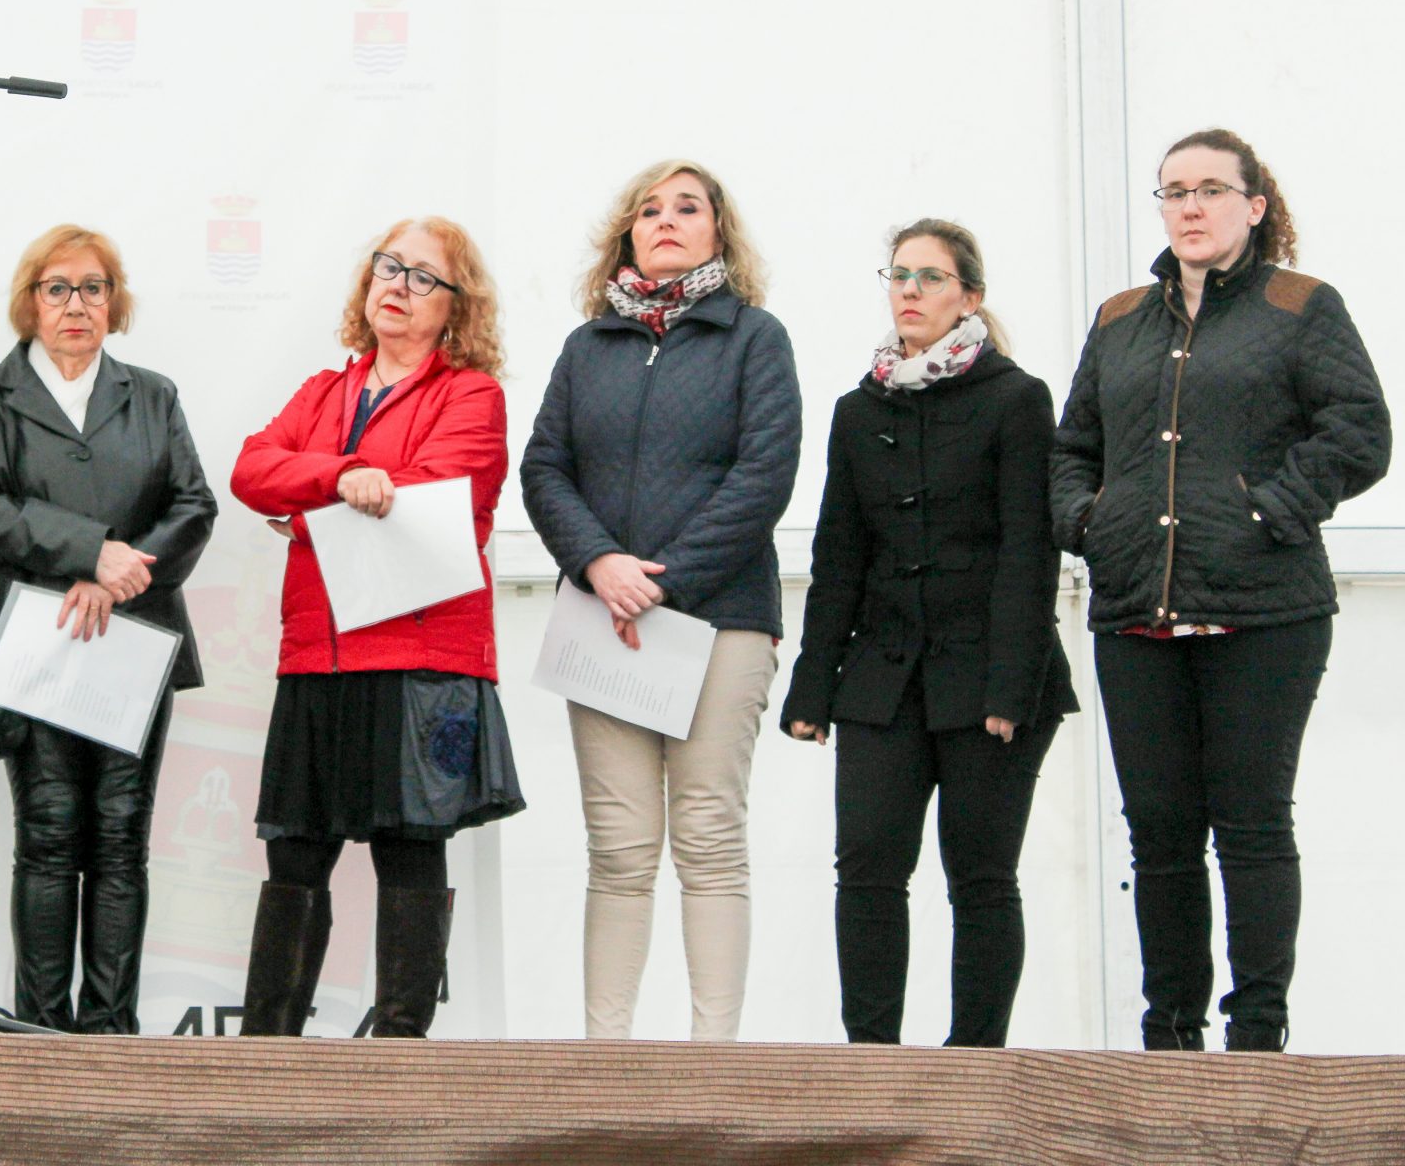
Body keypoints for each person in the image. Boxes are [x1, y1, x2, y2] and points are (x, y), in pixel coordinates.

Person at [1052, 129, 1389, 1052]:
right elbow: (1071, 447)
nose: (1189, 207)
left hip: (1265, 611)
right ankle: (1170, 1033)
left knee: (1248, 822)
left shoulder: (1301, 306)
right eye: (1172, 192)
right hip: (1134, 610)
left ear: (1254, 205)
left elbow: (1360, 430)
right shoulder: (1123, 317)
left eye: (1209, 189)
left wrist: (1270, 509)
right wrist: (1088, 522)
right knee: (1158, 830)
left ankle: (1258, 1033)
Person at [778, 219, 1077, 1047]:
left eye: (930, 277)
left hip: (989, 677)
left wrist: (1011, 687)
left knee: (980, 875)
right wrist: (812, 688)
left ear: (969, 297)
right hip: (881, 675)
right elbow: (837, 557)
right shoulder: (856, 408)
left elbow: (1030, 550)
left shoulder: (1018, 399)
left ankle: (974, 1063)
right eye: (898, 274)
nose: (908, 291)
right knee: (867, 869)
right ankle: (873, 1059)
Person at [520, 159, 800, 1041]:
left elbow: (766, 475)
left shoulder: (756, 338)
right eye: (649, 209)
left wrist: (661, 579)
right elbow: (544, 468)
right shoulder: (585, 346)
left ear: (720, 232)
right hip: (605, 622)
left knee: (709, 839)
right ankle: (610, 1058)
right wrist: (602, 565)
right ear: (627, 234)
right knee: (619, 850)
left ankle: (711, 1057)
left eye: (689, 207)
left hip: (719, 623)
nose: (667, 219)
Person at [231, 217, 522, 1039]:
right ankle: (265, 1051)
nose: (397, 285)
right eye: (388, 267)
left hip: (419, 656)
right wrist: (341, 478)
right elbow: (252, 468)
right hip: (317, 654)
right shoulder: (324, 391)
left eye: (424, 277)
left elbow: (437, 499)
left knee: (408, 848)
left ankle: (399, 1050)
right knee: (294, 856)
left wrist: (307, 513)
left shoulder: (472, 395)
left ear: (457, 307)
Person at [0, 226, 216, 1033]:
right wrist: (88, 554)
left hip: (133, 639)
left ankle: (108, 1033)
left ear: (114, 302)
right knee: (51, 833)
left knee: (121, 836)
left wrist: (123, 573)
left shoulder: (153, 394)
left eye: (93, 288)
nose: (76, 305)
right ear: (29, 302)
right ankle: (40, 1033)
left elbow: (193, 506)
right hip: (37, 639)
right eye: (57, 288)